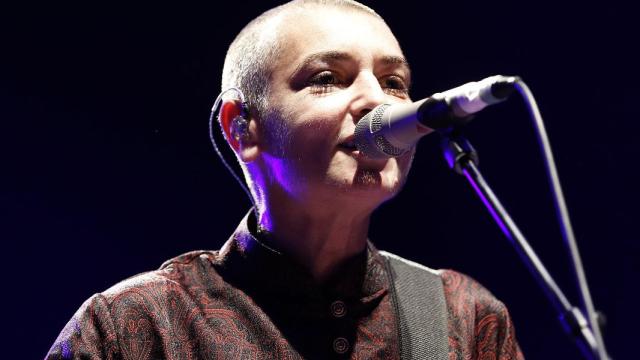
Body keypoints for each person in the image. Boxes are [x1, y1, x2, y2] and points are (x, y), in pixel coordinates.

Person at [46, 1, 524, 359]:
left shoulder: (463, 317)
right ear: (242, 127)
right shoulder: (138, 326)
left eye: (393, 82)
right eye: (328, 77)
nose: (377, 102)